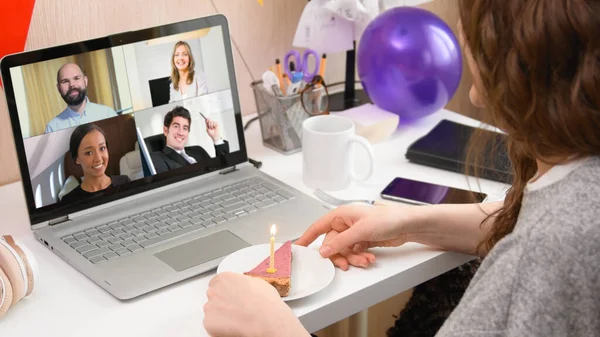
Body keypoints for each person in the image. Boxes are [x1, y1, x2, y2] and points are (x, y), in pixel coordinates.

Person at [202, 0, 600, 336]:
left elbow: (542, 242)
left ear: (511, 61)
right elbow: (526, 220)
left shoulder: (543, 254)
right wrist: (405, 222)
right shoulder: (578, 187)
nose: (460, 29)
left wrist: (272, 328)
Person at [60, 123, 130, 204]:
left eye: (102, 148)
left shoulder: (125, 182)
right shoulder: (68, 201)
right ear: (77, 158)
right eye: (89, 153)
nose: (98, 158)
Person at [150, 106, 229, 174]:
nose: (181, 133)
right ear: (166, 130)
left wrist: (216, 138)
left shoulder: (198, 150)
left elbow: (223, 169)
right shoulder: (156, 158)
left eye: (185, 128)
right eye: (176, 126)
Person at [45, 63, 117, 134]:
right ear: (58, 88)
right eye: (65, 81)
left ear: (85, 81)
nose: (72, 85)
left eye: (76, 78)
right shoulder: (52, 128)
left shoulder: (108, 114)